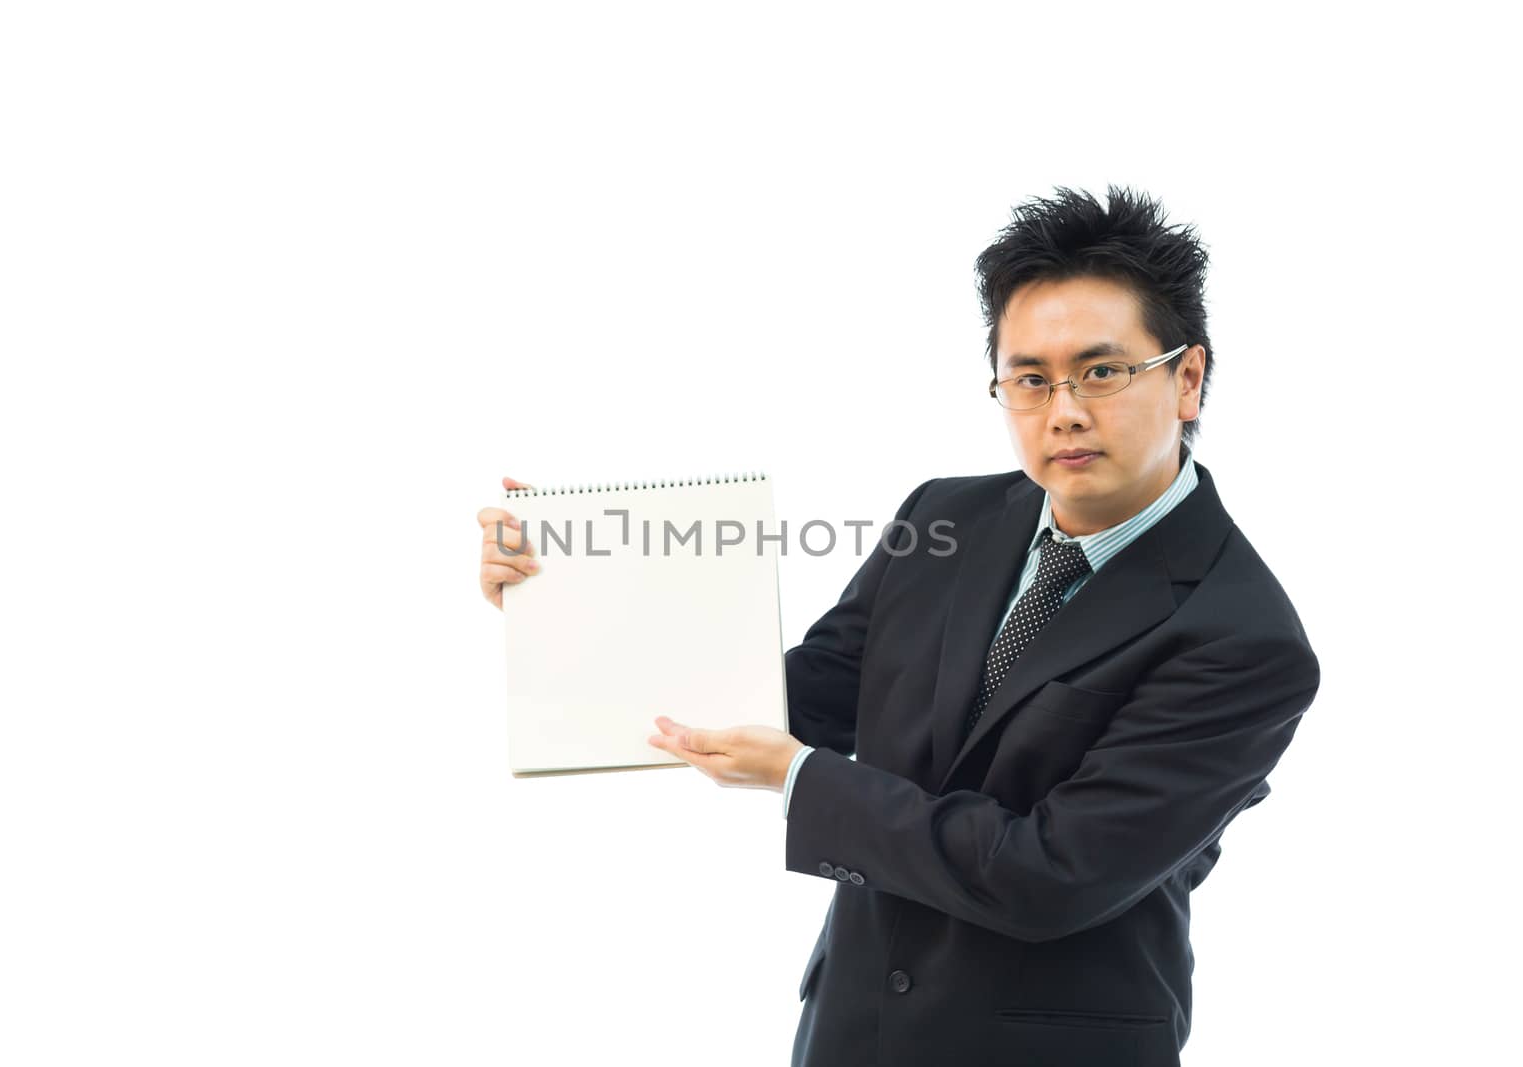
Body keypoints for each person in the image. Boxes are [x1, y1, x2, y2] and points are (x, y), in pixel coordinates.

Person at [475, 185, 1320, 1067]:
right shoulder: (945, 519)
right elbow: (796, 694)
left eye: (1101, 372)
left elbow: (1048, 876)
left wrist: (805, 782)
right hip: (852, 1029)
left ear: (1186, 378)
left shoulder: (1245, 638)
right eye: (1030, 379)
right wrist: (569, 601)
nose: (1062, 409)